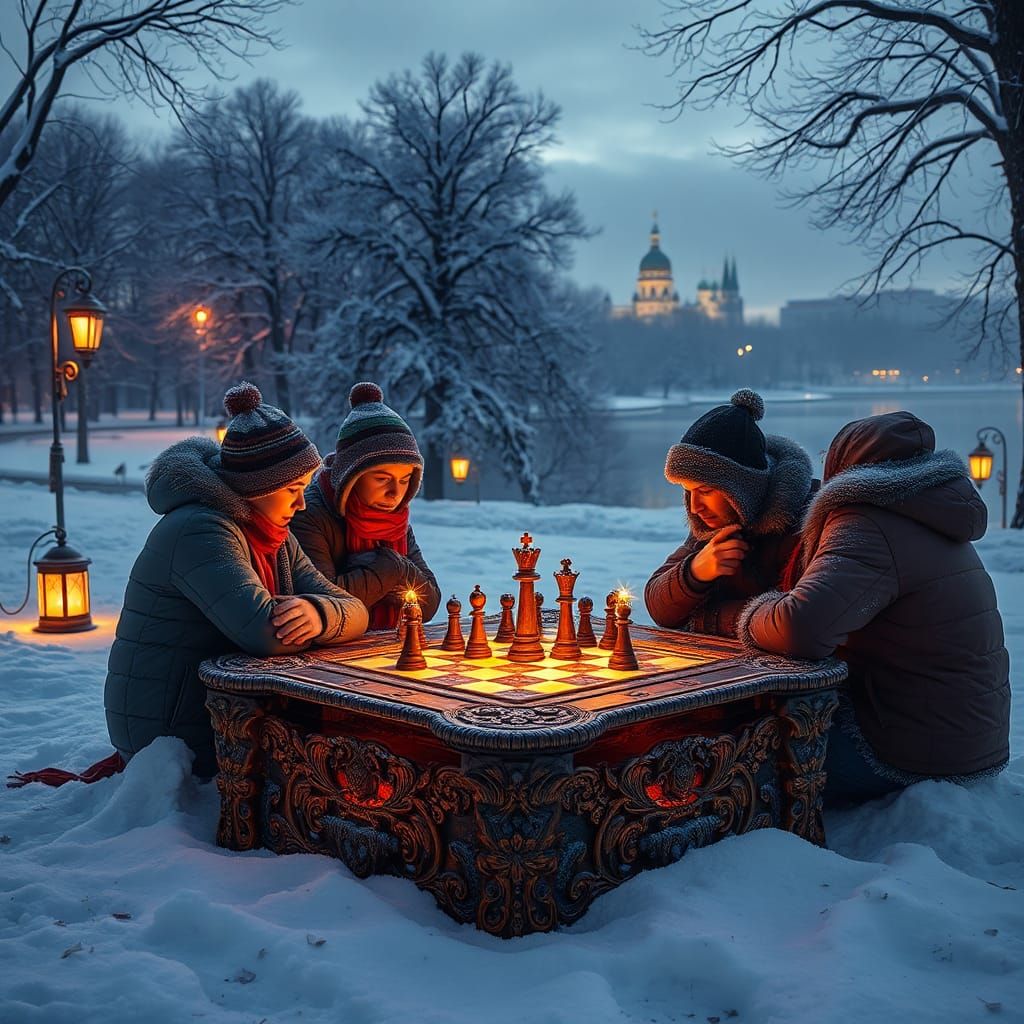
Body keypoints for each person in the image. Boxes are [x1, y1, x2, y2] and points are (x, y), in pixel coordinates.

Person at [736, 410, 1010, 804]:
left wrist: (749, 615)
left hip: (914, 751)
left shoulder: (868, 521)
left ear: (845, 464)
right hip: (966, 738)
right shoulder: (926, 512)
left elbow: (801, 630)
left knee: (737, 764)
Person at [103, 382, 369, 778]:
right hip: (167, 735)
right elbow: (266, 632)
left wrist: (317, 612)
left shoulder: (273, 533)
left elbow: (355, 609)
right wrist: (315, 616)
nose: (301, 504)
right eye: (293, 490)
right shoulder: (200, 529)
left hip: (213, 703)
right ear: (256, 488)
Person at [644, 389, 815, 637]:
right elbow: (657, 606)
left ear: (743, 489)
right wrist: (695, 572)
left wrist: (703, 619)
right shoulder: (713, 526)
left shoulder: (811, 519)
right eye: (688, 492)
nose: (694, 507)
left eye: (705, 490)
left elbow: (797, 623)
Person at [291, 381, 440, 628]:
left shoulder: (395, 518)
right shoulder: (311, 514)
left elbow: (430, 603)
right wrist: (391, 569)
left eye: (405, 480)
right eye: (382, 479)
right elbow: (328, 602)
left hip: (384, 648)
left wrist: (394, 567)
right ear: (352, 477)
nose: (395, 493)